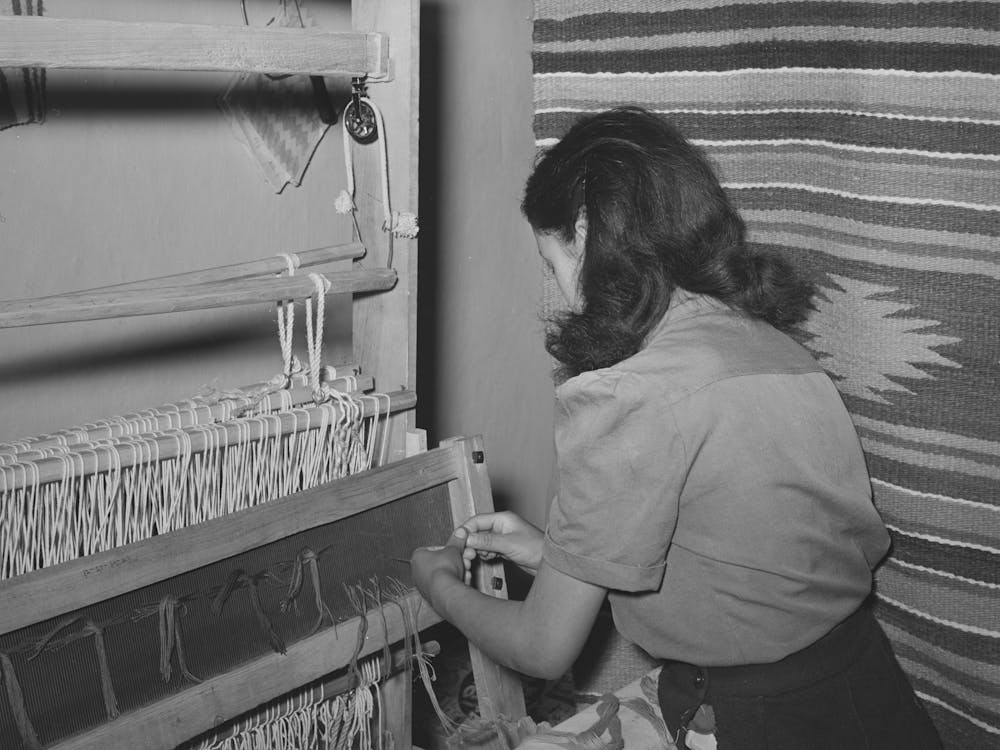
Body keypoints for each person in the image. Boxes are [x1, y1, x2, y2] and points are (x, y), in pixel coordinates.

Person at [410, 106, 941, 750]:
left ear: (583, 232)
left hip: (765, 721)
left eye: (552, 265)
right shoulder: (773, 348)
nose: (561, 294)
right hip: (864, 689)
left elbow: (541, 649)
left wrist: (435, 583)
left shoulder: (629, 394)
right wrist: (555, 554)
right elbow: (746, 559)